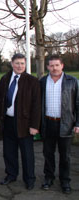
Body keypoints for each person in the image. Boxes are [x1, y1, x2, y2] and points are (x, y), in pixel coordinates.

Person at [0, 53, 41, 190]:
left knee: (27, 153)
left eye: (22, 63)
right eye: (17, 63)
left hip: (25, 124)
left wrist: (34, 125)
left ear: (25, 65)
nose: (19, 66)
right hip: (8, 121)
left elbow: (37, 105)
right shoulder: (5, 79)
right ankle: (11, 175)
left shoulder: (32, 81)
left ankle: (29, 179)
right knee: (9, 151)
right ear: (12, 64)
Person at [40, 55, 79, 194]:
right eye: (51, 65)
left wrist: (77, 123)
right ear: (47, 67)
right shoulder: (43, 81)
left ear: (62, 65)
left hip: (66, 124)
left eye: (57, 65)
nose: (54, 68)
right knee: (48, 153)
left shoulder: (72, 81)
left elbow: (77, 103)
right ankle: (48, 178)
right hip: (48, 122)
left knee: (65, 155)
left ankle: (65, 181)